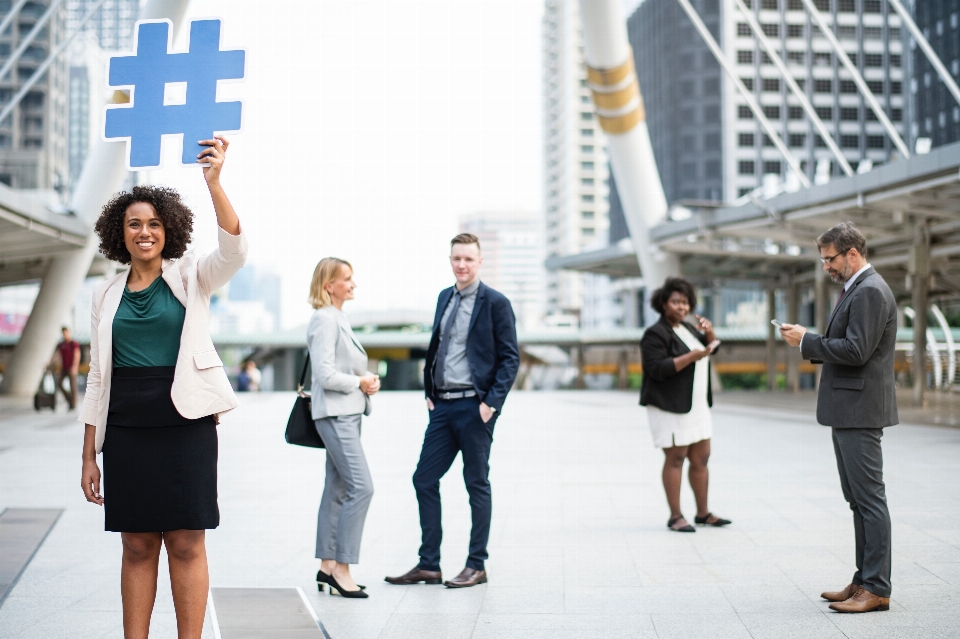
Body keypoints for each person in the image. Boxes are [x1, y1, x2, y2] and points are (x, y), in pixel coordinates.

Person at [79, 136, 246, 639]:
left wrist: (214, 183)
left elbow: (234, 250)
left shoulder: (192, 275)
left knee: (188, 542)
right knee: (136, 545)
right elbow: (96, 375)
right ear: (120, 233)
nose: (145, 231)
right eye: (134, 223)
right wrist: (89, 453)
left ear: (167, 228)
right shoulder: (105, 294)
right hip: (127, 425)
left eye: (154, 223)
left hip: (185, 421)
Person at [386, 233, 519, 589]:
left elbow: (510, 358)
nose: (462, 265)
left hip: (475, 408)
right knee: (424, 479)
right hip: (442, 407)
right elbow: (438, 347)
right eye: (456, 258)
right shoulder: (445, 297)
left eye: (468, 259)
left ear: (479, 262)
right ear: (450, 260)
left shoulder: (496, 303)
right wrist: (430, 392)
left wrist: (491, 404)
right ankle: (429, 564)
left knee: (476, 483)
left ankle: (476, 564)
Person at [780, 222, 897, 614]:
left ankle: (877, 587)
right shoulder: (857, 290)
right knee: (857, 500)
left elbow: (857, 350)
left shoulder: (869, 291)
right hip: (850, 409)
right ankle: (864, 579)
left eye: (830, 259)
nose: (826, 266)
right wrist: (809, 340)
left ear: (852, 254)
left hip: (860, 410)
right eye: (823, 259)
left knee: (869, 499)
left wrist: (807, 341)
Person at [308, 258, 380, 599]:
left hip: (345, 413)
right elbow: (324, 375)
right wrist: (360, 380)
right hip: (336, 415)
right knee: (362, 488)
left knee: (337, 489)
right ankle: (342, 569)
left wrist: (362, 384)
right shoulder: (324, 319)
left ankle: (326, 566)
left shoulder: (338, 317)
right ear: (329, 285)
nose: (353, 284)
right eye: (347, 279)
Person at [639, 277, 731, 533]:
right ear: (663, 304)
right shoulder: (655, 334)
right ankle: (676, 516)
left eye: (685, 302)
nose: (681, 307)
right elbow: (656, 369)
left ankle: (703, 513)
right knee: (676, 458)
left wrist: (709, 332)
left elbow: (710, 348)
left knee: (701, 458)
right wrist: (690, 356)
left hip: (696, 405)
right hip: (670, 406)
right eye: (675, 302)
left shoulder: (688, 329)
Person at [54, 326, 81, 409]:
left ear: (68, 332)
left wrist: (75, 366)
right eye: (63, 333)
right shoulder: (62, 344)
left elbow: (77, 355)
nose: (64, 334)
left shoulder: (73, 343)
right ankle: (70, 399)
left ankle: (73, 403)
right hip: (64, 368)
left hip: (71, 367)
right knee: (59, 383)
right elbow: (57, 355)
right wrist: (49, 362)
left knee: (72, 386)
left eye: (66, 333)